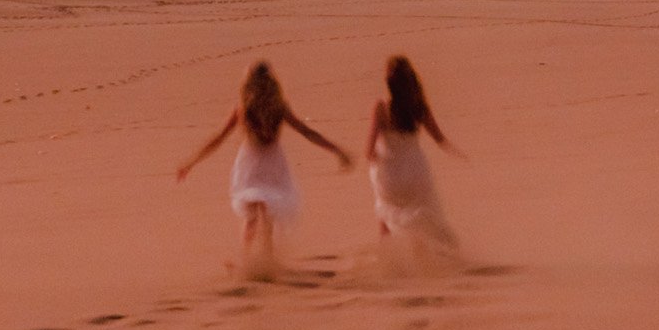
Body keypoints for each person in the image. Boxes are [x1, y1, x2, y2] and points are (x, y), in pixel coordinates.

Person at [177, 61, 351, 275]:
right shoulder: (279, 107)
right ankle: (266, 262)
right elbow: (306, 131)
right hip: (272, 163)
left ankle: (247, 261)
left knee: (252, 215)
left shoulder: (243, 108)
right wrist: (336, 150)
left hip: (251, 163)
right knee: (267, 216)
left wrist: (191, 162)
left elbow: (218, 138)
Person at [366, 55, 463, 258]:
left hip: (390, 171)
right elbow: (439, 139)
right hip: (416, 169)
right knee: (426, 210)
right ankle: (432, 252)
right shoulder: (419, 107)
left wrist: (374, 159)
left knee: (385, 210)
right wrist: (459, 154)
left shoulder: (381, 107)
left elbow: (369, 150)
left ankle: (385, 256)